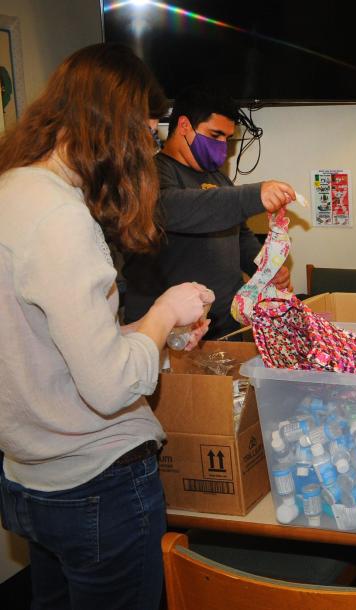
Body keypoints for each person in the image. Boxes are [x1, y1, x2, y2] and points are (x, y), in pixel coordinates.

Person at [0, 43, 213, 609]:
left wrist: (149, 335)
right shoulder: (63, 222)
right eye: (144, 134)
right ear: (115, 128)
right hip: (95, 486)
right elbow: (111, 386)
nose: (145, 150)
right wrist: (165, 311)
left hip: (28, 479)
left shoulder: (12, 191)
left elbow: (52, 347)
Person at [122, 86, 297, 339]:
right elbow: (170, 208)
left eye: (227, 138)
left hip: (228, 326)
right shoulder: (147, 174)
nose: (222, 146)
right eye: (215, 135)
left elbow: (240, 234)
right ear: (184, 125)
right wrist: (252, 196)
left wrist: (265, 266)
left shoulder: (219, 179)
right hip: (168, 335)